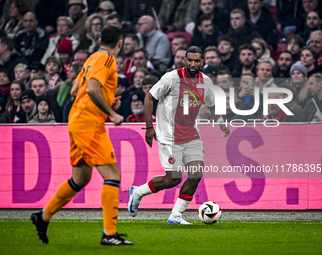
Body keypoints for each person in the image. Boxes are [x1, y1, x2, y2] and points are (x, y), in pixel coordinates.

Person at [30, 25, 135, 246]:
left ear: (99, 41)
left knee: (81, 178)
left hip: (76, 120)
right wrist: (111, 112)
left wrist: (105, 101)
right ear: (120, 43)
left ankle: (43, 215)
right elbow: (91, 89)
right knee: (113, 175)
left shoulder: (92, 58)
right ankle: (109, 234)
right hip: (88, 123)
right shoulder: (107, 59)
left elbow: (74, 89)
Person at [127, 46, 230, 224]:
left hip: (191, 135)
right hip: (169, 136)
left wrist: (221, 121)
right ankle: (137, 192)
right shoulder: (171, 78)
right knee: (173, 179)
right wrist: (150, 127)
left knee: (196, 174)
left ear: (202, 63)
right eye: (189, 60)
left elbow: (213, 105)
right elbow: (150, 97)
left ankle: (176, 215)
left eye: (197, 60)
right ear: (185, 60)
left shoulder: (205, 82)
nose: (192, 63)